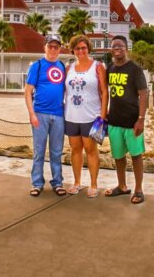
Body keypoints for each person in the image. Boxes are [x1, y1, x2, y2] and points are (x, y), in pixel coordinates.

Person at [104, 35, 149, 204]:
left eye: (121, 46)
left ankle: (138, 190)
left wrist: (141, 119)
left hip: (132, 122)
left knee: (136, 155)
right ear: (111, 50)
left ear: (126, 48)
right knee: (118, 156)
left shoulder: (134, 69)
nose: (117, 48)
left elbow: (144, 94)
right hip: (114, 121)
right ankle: (122, 186)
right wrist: (105, 113)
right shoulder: (110, 68)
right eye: (114, 46)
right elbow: (105, 92)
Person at [63, 35, 108, 198]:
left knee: (91, 150)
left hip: (92, 117)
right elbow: (63, 91)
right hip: (71, 116)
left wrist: (102, 117)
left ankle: (94, 184)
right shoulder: (69, 68)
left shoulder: (98, 66)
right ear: (73, 50)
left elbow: (104, 92)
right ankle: (76, 182)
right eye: (77, 48)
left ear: (88, 48)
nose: (80, 51)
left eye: (83, 47)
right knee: (75, 150)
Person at [24, 34, 68, 196]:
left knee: (57, 151)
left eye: (56, 46)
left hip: (58, 115)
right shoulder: (37, 66)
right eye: (50, 46)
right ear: (45, 47)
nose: (53, 49)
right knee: (39, 151)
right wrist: (32, 114)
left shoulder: (62, 66)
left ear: (60, 49)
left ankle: (57, 182)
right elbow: (28, 92)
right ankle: (37, 183)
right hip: (40, 114)